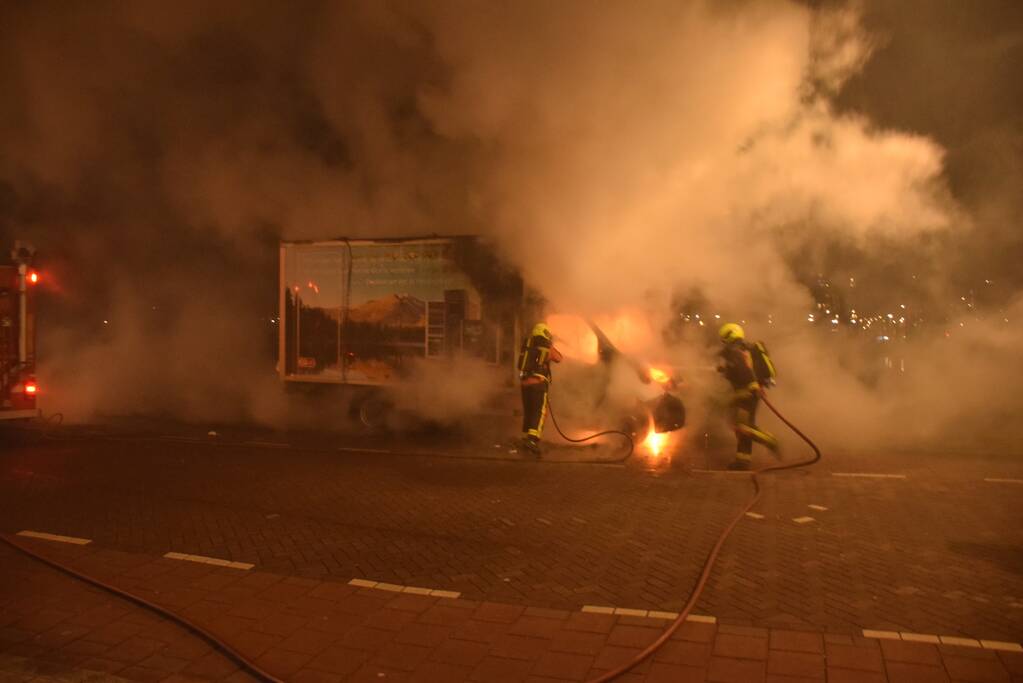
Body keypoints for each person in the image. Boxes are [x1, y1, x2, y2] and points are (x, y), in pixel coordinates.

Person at [717, 323, 779, 470]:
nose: (723, 342)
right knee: (742, 426)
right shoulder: (746, 349)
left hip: (746, 394)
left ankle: (770, 441)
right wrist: (725, 370)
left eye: (724, 339)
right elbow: (742, 369)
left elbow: (744, 370)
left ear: (729, 336)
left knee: (742, 427)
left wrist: (753, 385)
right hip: (749, 393)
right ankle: (742, 460)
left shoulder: (734, 350)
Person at [518, 322, 563, 455]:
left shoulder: (528, 344)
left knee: (529, 410)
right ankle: (532, 440)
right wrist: (551, 345)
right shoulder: (545, 345)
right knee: (539, 411)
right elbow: (559, 358)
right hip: (538, 382)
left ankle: (527, 436)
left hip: (525, 382)